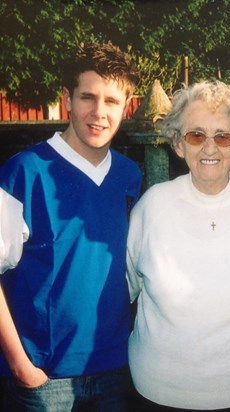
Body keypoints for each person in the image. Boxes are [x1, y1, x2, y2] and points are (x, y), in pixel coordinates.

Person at [0, 42, 142, 411]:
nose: (99, 113)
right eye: (87, 97)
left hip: (115, 369)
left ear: (126, 106)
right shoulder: (24, 172)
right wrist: (21, 366)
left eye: (111, 101)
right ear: (67, 98)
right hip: (45, 379)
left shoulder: (128, 176)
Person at [126, 80, 230, 411]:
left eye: (223, 136)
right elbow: (129, 287)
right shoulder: (152, 206)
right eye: (196, 135)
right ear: (178, 144)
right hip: (159, 394)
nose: (209, 148)